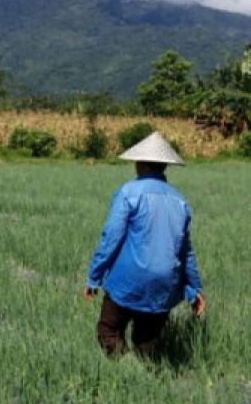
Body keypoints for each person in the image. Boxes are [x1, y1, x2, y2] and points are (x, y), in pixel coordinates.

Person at [85, 132, 205, 358]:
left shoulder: (129, 193)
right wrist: (194, 289)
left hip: (127, 280)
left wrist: (94, 276)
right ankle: (146, 375)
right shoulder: (180, 201)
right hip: (163, 285)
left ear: (139, 164)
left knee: (108, 331)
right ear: (164, 166)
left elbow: (111, 237)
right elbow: (185, 251)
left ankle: (123, 371)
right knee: (146, 343)